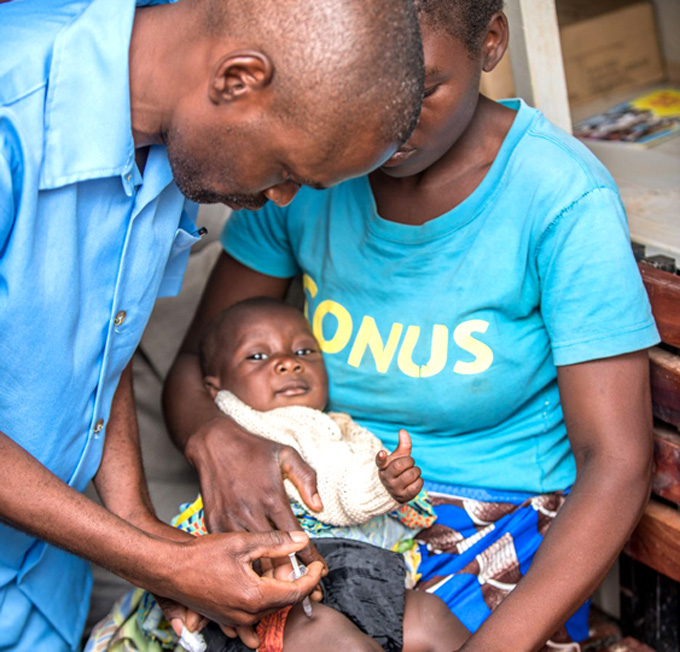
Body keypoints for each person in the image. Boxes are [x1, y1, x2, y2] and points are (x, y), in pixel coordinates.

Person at [164, 1, 659, 650]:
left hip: (496, 534)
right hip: (334, 505)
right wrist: (217, 441)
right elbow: (196, 370)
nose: (388, 117)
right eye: (367, 85)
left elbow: (618, 463)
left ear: (490, 41)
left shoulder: (558, 198)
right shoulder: (311, 170)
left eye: (422, 88)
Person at [0, 0, 425, 648]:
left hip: (39, 581)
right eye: (286, 171)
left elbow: (98, 335)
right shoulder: (14, 111)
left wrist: (143, 527)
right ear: (237, 78)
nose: (280, 198)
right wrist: (155, 560)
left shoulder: (172, 128)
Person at [89, 297, 466, 651]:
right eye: (257, 355)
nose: (288, 363)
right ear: (215, 389)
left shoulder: (342, 431)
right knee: (331, 637)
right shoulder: (243, 434)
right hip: (273, 594)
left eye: (304, 351)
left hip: (355, 574)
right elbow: (327, 490)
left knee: (430, 618)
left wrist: (393, 482)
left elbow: (392, 505)